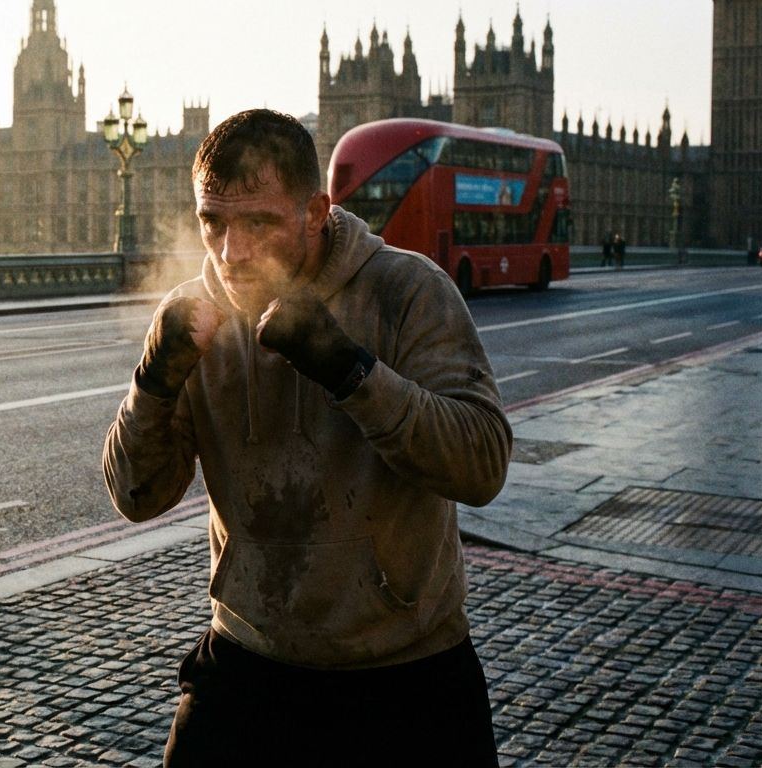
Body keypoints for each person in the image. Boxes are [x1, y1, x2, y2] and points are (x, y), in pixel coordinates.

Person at [102, 109, 511, 766]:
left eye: (259, 223)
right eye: (213, 223)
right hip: (248, 658)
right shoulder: (196, 313)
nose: (232, 251)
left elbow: (482, 464)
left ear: (316, 212)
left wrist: (349, 370)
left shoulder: (407, 292)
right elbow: (135, 494)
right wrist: (153, 381)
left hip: (404, 671)